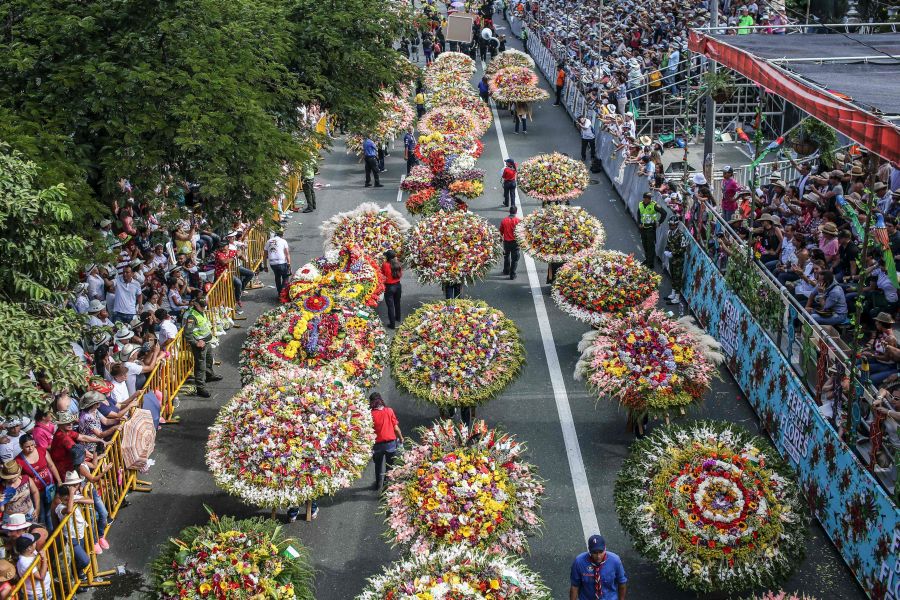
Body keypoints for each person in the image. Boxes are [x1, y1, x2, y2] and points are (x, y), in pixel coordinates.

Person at [15, 434, 60, 529]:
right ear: (21, 447)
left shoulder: (41, 450)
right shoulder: (19, 461)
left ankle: (54, 533)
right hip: (36, 492)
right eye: (27, 446)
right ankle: (45, 536)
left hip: (50, 488)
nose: (31, 448)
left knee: (52, 512)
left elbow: (51, 465)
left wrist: (59, 481)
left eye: (32, 445)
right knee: (41, 515)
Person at [53, 474, 94, 577]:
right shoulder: (59, 508)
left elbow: (91, 501)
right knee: (84, 560)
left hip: (80, 533)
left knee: (77, 560)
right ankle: (76, 575)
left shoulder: (73, 498)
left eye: (69, 496)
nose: (67, 499)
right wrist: (71, 495)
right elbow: (69, 510)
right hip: (71, 538)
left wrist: (76, 499)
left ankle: (79, 575)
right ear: (60, 497)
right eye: (65, 497)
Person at [183, 296, 221, 398]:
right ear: (196, 305)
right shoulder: (192, 317)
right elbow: (187, 334)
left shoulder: (200, 311)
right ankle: (200, 388)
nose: (204, 308)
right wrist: (196, 343)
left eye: (205, 306)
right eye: (202, 306)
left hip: (207, 342)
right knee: (200, 366)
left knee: (209, 360)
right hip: (200, 345)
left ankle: (209, 375)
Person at [570, 534, 627, 600]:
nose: (598, 556)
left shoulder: (615, 561)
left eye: (601, 552)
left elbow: (622, 583)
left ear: (605, 548)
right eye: (594, 552)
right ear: (589, 550)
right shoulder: (579, 562)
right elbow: (574, 586)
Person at [369, 392, 403, 491]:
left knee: (378, 465)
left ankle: (378, 484)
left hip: (377, 445)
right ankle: (386, 486)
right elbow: (396, 428)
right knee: (389, 466)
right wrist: (401, 438)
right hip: (390, 444)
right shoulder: (389, 411)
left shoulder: (370, 414)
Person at [0, 461, 40, 526]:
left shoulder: (26, 479)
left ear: (18, 473)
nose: (12, 480)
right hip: (12, 519)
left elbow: (35, 492)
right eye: (9, 478)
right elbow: (2, 510)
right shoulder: (2, 487)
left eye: (14, 477)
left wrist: (37, 508)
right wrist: (0, 502)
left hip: (29, 514)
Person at [14, 533, 51, 600]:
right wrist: (44, 559)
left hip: (44, 590)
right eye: (34, 542)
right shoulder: (24, 562)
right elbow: (41, 577)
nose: (36, 543)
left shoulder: (33, 552)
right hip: (35, 595)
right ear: (29, 548)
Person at [663, 215, 688, 305]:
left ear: (676, 225)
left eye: (673, 225)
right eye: (670, 224)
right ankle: (673, 293)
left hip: (678, 260)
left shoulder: (681, 235)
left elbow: (683, 248)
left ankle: (677, 297)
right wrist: (666, 250)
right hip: (672, 259)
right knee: (672, 276)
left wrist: (673, 253)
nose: (671, 226)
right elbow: (668, 243)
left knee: (677, 278)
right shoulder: (670, 233)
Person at [638, 192, 666, 268]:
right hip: (643, 228)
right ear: (645, 198)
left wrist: (659, 222)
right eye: (648, 198)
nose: (650, 199)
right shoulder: (640, 204)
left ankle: (650, 264)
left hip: (651, 228)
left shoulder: (654, 205)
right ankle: (647, 259)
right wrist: (639, 222)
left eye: (650, 198)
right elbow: (638, 213)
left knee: (650, 246)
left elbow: (664, 213)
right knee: (645, 245)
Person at [264, 228, 291, 296]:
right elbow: (287, 253)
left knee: (277, 276)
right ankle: (282, 292)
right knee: (285, 277)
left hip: (272, 263)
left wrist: (265, 266)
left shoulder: (268, 241)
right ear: (282, 235)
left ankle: (279, 292)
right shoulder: (283, 241)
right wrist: (289, 263)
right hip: (281, 262)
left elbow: (264, 255)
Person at [381, 250, 402, 329]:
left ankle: (392, 324)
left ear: (387, 257)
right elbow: (400, 274)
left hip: (389, 287)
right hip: (398, 285)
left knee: (390, 306)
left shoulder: (385, 265)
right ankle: (398, 318)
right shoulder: (398, 263)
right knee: (397, 303)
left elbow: (382, 275)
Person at [500, 206, 521, 280]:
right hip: (515, 242)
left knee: (506, 256)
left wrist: (500, 239)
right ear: (516, 212)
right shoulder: (518, 221)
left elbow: (501, 231)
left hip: (506, 242)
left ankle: (506, 270)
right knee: (515, 259)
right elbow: (521, 232)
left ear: (509, 211)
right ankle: (512, 274)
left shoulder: (504, 220)